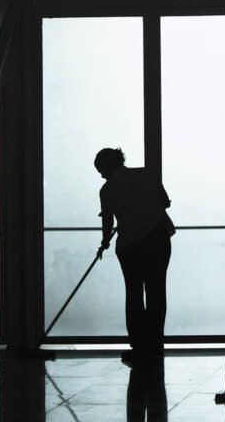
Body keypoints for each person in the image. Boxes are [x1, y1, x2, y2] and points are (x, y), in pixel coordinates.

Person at [95, 147, 175, 364]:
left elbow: (108, 221)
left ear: (107, 166)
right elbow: (165, 203)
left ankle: (139, 346)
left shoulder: (107, 189)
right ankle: (156, 345)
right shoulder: (146, 174)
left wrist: (105, 242)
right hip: (158, 239)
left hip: (130, 246)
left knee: (134, 294)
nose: (101, 175)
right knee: (157, 291)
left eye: (100, 170)